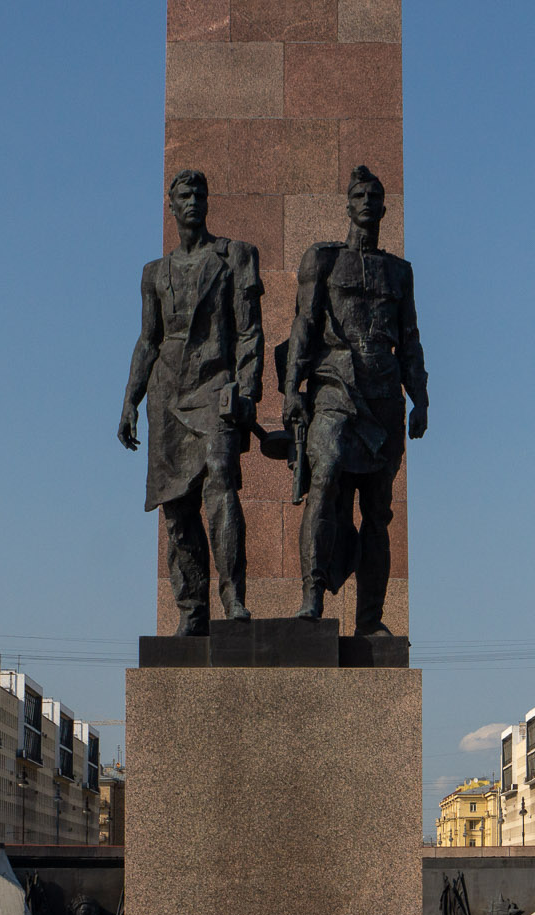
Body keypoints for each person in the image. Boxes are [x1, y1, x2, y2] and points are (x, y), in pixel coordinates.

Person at [280, 164, 427, 636]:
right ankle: (312, 597)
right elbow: (304, 326)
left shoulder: (398, 272)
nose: (367, 202)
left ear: (385, 207)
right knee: (323, 479)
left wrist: (419, 398)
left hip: (384, 395)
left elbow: (410, 340)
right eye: (360, 195)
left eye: (375, 196)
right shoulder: (321, 260)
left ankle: (370, 621)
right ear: (348, 204)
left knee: (378, 512)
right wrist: (291, 389)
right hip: (335, 390)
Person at [118, 169, 263, 635]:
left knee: (221, 479)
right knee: (176, 509)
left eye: (201, 192)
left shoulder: (234, 257)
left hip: (215, 389)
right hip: (166, 395)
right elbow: (147, 340)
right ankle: (192, 606)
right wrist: (129, 401)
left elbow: (249, 332)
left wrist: (245, 387)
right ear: (171, 205)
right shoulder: (153, 273)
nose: (194, 200)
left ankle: (234, 595)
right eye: (185, 194)